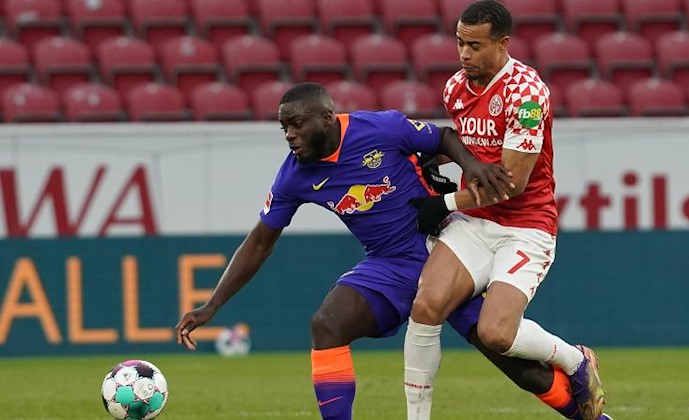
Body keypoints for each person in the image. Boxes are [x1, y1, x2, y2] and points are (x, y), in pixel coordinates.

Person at [174, 82, 565, 420]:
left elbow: (442, 137)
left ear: (327, 118)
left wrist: (472, 165)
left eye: (296, 124)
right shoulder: (295, 174)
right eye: (283, 127)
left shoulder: (379, 127)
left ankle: (592, 408)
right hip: (389, 265)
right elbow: (260, 241)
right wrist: (212, 306)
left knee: (526, 373)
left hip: (446, 250)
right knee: (327, 324)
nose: (289, 135)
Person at [403, 2, 608, 420]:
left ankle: (575, 361)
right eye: (460, 43)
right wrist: (431, 161)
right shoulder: (456, 87)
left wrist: (441, 204)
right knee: (425, 307)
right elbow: (474, 146)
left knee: (495, 334)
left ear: (503, 44)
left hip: (526, 226)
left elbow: (510, 183)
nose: (464, 54)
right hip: (475, 223)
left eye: (475, 46)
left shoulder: (527, 94)